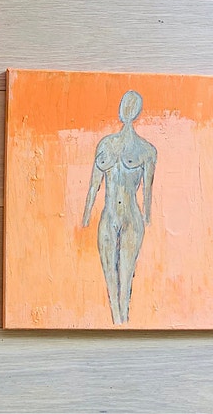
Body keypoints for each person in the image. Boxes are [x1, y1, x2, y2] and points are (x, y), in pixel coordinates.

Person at [82, 90, 156, 324]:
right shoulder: (105, 145)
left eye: (131, 105)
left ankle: (124, 323)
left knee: (125, 279)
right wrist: (85, 216)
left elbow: (148, 192)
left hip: (132, 219)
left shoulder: (147, 150)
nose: (127, 109)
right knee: (110, 281)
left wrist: (148, 218)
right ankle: (117, 322)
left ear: (137, 111)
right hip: (108, 217)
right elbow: (93, 186)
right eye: (125, 103)